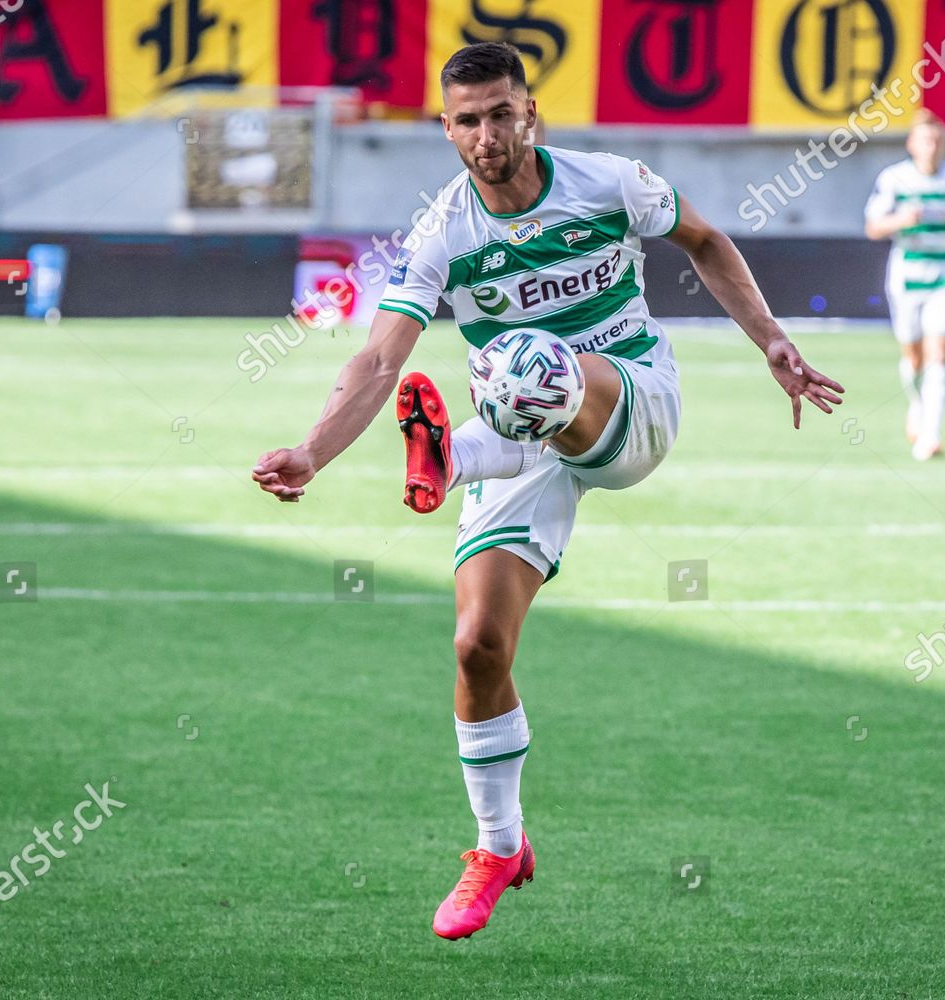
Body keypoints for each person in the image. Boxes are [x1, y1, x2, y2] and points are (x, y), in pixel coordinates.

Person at [250, 42, 844, 940]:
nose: (488, 135)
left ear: (531, 112)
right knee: (477, 645)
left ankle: (450, 458)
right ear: (446, 131)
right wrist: (313, 451)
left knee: (530, 362)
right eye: (468, 121)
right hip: (524, 426)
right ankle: (499, 846)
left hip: (632, 399)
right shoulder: (444, 232)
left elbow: (708, 241)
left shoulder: (607, 183)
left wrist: (769, 339)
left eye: (502, 113)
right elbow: (378, 356)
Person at [864, 110, 945, 460]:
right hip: (908, 274)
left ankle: (930, 434)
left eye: (937, 140)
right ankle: (917, 405)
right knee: (913, 357)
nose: (931, 147)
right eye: (925, 140)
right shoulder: (895, 179)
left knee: (939, 354)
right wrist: (901, 220)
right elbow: (873, 227)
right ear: (911, 144)